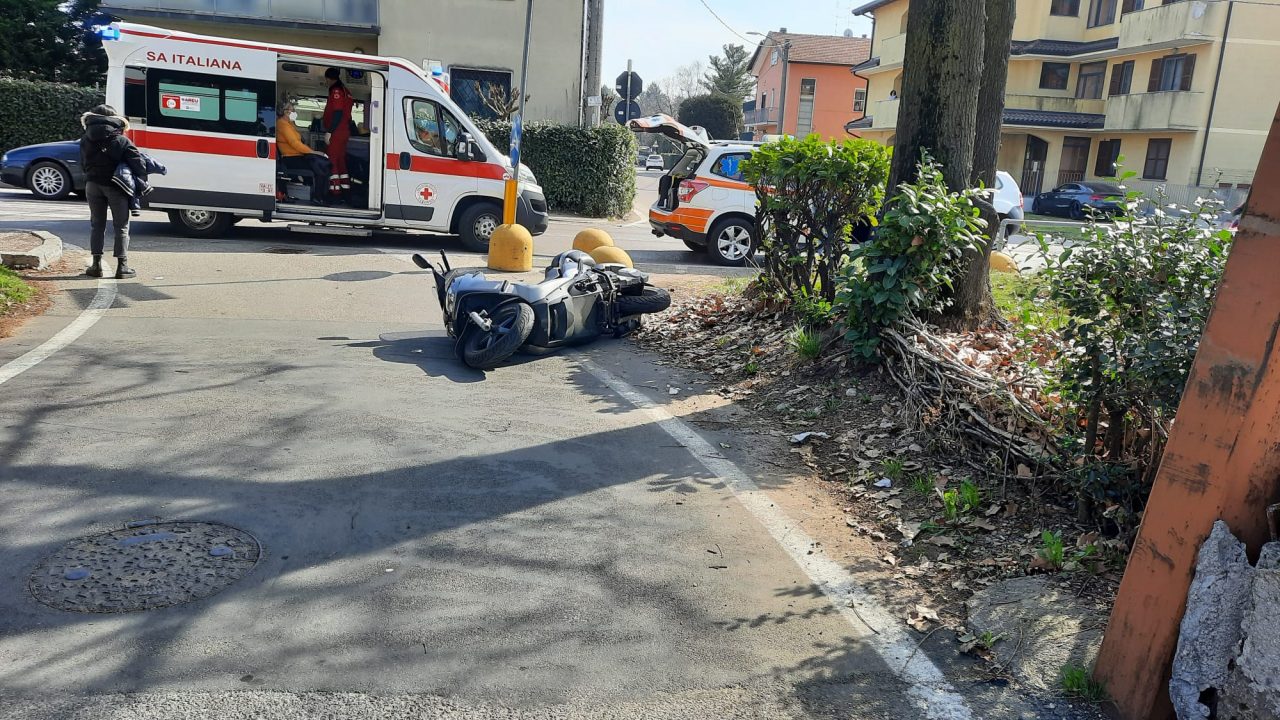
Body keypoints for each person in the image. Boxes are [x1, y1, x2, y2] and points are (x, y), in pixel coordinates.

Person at [79, 104, 145, 279]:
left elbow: (83, 163)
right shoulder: (121, 140)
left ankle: (96, 265)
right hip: (117, 186)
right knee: (121, 226)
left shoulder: (85, 138)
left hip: (92, 185)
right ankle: (122, 267)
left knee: (97, 224)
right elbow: (139, 165)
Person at [275, 99, 332, 204]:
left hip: (297, 156)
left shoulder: (289, 124)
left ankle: (321, 196)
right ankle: (318, 197)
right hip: (290, 159)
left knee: (321, 163)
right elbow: (295, 144)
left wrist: (311, 152)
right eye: (293, 110)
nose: (294, 112)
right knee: (318, 166)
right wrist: (313, 152)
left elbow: (299, 142)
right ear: (286, 111)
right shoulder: (282, 124)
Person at [322, 67, 354, 200]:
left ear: (329, 79)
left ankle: (334, 192)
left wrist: (330, 131)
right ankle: (346, 191)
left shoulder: (336, 91)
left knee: (332, 159)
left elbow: (338, 112)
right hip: (344, 131)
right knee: (340, 160)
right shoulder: (346, 91)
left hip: (337, 131)